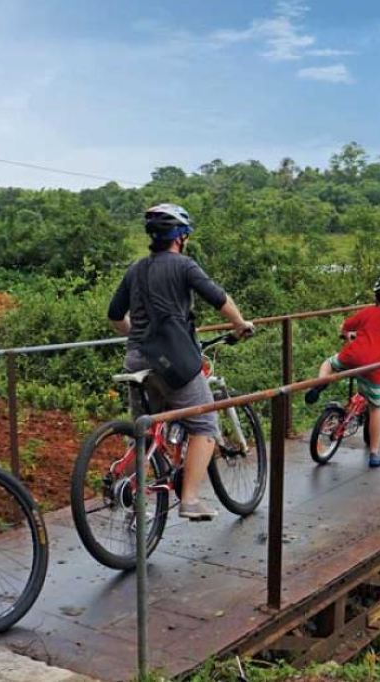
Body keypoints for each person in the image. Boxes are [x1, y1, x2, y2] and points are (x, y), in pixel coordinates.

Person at [107, 203, 254, 521]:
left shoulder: (135, 269)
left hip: (136, 359)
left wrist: (140, 338)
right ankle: (190, 500)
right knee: (205, 423)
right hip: (172, 361)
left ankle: (126, 488)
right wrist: (240, 324)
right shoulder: (184, 265)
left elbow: (115, 316)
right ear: (180, 237)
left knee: (145, 430)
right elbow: (219, 299)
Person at [304, 275, 380, 468]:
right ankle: (374, 453)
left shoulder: (368, 312)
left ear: (376, 296)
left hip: (352, 356)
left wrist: (349, 335)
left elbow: (346, 326)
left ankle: (321, 383)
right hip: (373, 369)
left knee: (328, 364)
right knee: (375, 408)